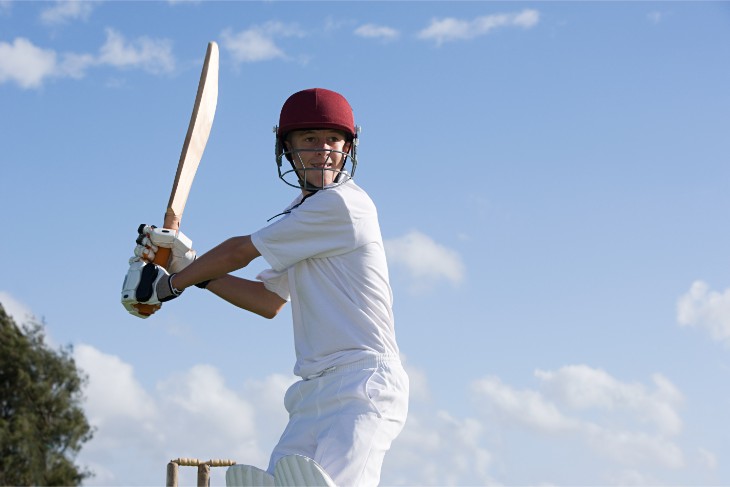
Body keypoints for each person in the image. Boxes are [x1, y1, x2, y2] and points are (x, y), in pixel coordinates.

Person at [121, 88, 409, 486]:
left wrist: (169, 285)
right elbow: (267, 301)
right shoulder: (299, 216)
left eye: (333, 139)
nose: (323, 149)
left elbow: (241, 250)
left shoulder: (343, 204)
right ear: (288, 150)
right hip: (311, 394)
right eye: (309, 139)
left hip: (363, 386)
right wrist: (189, 268)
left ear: (348, 148)